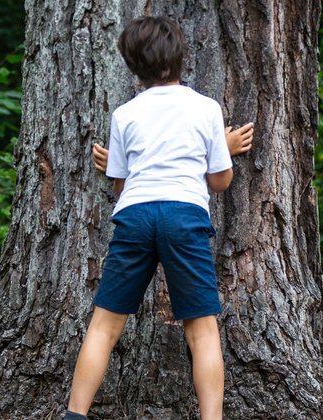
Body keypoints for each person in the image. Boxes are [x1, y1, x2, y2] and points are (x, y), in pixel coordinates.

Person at [65, 16, 253, 420]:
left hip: (135, 213)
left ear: (132, 66)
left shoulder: (125, 114)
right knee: (201, 330)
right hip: (184, 214)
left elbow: (119, 183)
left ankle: (75, 414)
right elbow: (220, 181)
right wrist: (222, 147)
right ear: (183, 56)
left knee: (104, 325)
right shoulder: (206, 108)